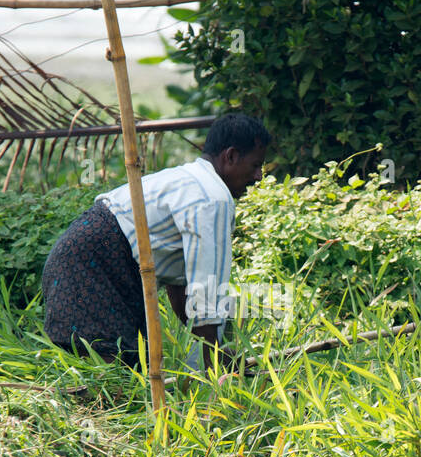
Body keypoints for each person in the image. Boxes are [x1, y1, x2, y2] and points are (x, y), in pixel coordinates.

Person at [41, 112, 271, 372]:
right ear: (231, 156)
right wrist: (211, 363)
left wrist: (213, 349)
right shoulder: (213, 198)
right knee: (112, 378)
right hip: (96, 266)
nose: (258, 176)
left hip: (78, 256)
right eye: (255, 165)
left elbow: (181, 286)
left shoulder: (190, 180)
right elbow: (206, 290)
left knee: (117, 373)